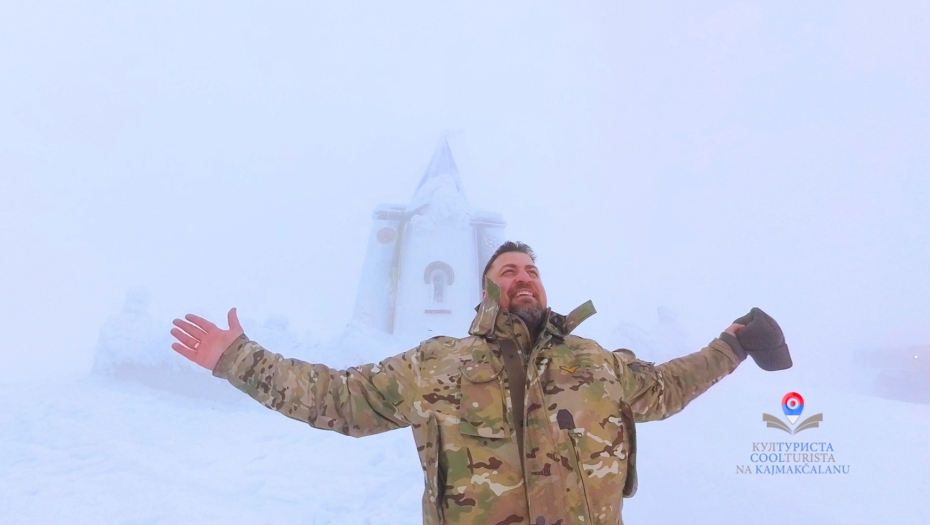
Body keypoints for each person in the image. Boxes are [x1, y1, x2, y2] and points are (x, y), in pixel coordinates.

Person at [170, 241, 790, 525]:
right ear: (487, 289)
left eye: (532, 270)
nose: (524, 277)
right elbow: (344, 401)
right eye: (508, 270)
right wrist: (240, 360)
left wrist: (731, 344)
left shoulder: (596, 362)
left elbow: (667, 387)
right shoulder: (439, 363)